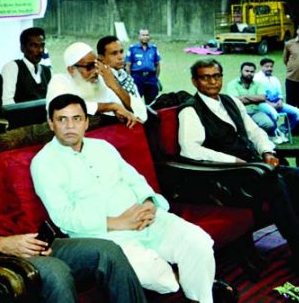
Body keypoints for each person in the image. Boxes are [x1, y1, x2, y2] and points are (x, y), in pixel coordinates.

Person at [0, 88, 147, 303]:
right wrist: (1, 244)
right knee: (55, 271)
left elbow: (16, 209)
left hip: (22, 242)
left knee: (108, 252)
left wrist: (36, 241)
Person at [32, 94, 216, 302]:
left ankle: (201, 297)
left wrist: (149, 204)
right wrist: (118, 223)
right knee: (152, 273)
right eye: (62, 119)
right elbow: (63, 217)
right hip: (105, 235)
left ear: (86, 122)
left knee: (198, 242)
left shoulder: (103, 147)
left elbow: (135, 180)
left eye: (76, 118)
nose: (70, 126)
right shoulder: (44, 163)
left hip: (146, 220)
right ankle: (186, 283)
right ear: (51, 124)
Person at [178, 58, 299, 273]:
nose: (212, 82)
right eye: (205, 77)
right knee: (276, 183)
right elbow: (190, 150)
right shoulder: (190, 111)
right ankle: (297, 247)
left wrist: (267, 150)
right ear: (195, 81)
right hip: (225, 176)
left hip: (254, 167)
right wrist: (233, 161)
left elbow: (254, 131)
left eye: (216, 76)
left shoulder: (231, 102)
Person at [46, 42, 140, 126]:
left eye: (96, 65)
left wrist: (120, 111)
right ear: (71, 70)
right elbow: (67, 108)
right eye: (89, 67)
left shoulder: (99, 80)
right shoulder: (59, 81)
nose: (95, 71)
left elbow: (122, 107)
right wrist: (111, 106)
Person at [223, 62, 279, 141]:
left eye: (252, 72)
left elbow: (262, 98)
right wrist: (254, 99)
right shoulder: (232, 84)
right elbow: (235, 101)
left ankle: (257, 139)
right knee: (242, 128)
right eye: (247, 71)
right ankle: (247, 141)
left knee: (269, 124)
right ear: (241, 71)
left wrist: (245, 96)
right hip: (240, 113)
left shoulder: (258, 84)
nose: (249, 73)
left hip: (256, 112)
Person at [96, 36, 148, 121]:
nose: (120, 57)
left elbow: (141, 112)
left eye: (121, 52)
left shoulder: (124, 76)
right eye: (114, 53)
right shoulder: (98, 78)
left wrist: (114, 85)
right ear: (101, 58)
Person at [1, 27, 52, 105]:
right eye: (34, 46)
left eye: (42, 45)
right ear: (22, 48)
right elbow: (7, 103)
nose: (40, 50)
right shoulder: (12, 67)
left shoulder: (46, 71)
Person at [255, 57, 299, 134]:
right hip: (263, 104)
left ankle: (284, 129)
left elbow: (280, 94)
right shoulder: (257, 78)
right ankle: (274, 133)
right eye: (267, 66)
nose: (269, 68)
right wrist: (271, 104)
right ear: (261, 67)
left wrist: (280, 101)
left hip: (277, 104)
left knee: (298, 113)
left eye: (271, 66)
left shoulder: (275, 79)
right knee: (275, 114)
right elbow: (258, 96)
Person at [126, 29, 162, 104]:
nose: (145, 37)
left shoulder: (153, 48)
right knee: (135, 102)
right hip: (137, 78)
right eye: (143, 35)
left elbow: (157, 64)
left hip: (151, 78)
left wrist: (156, 78)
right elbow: (128, 65)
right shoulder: (133, 48)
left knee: (153, 104)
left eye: (147, 35)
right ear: (139, 37)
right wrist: (130, 79)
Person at [284, 23, 299, 111]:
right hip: (291, 79)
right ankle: (289, 124)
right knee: (290, 104)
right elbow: (285, 59)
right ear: (297, 31)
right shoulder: (289, 44)